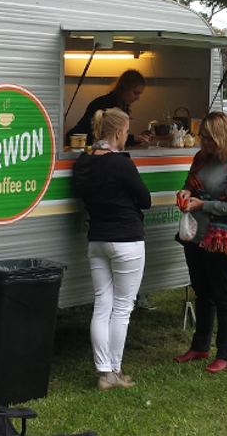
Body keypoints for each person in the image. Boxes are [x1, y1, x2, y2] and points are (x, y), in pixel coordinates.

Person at [73, 107, 152, 390]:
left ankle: (103, 372)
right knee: (122, 307)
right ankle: (115, 372)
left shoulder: (83, 161)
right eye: (127, 131)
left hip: (97, 239)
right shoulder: (121, 163)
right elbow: (145, 200)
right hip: (127, 240)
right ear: (119, 132)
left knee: (102, 303)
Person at [174, 112, 227, 373]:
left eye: (208, 138)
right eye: (202, 137)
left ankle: (225, 353)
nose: (202, 142)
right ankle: (200, 346)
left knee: (222, 295)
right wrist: (185, 193)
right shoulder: (200, 159)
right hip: (196, 235)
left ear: (221, 137)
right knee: (202, 292)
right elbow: (189, 185)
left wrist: (203, 204)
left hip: (223, 239)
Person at [67, 69, 152, 147]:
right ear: (124, 88)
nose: (137, 98)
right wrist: (133, 138)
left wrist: (137, 138)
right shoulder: (104, 106)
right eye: (136, 93)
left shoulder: (121, 106)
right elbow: (105, 137)